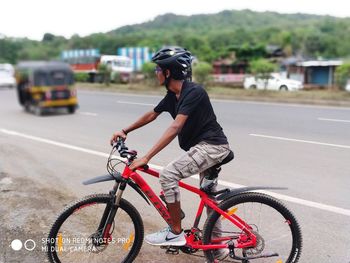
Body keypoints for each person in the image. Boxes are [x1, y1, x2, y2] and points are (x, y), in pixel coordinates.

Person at [110, 46, 232, 258]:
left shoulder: (194, 92)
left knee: (168, 175)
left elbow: (175, 127)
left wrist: (147, 157)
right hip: (202, 148)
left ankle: (176, 232)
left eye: (158, 69)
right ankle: (218, 248)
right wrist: (124, 130)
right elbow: (151, 115)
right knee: (210, 201)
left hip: (212, 147)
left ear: (168, 72)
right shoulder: (172, 96)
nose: (155, 73)